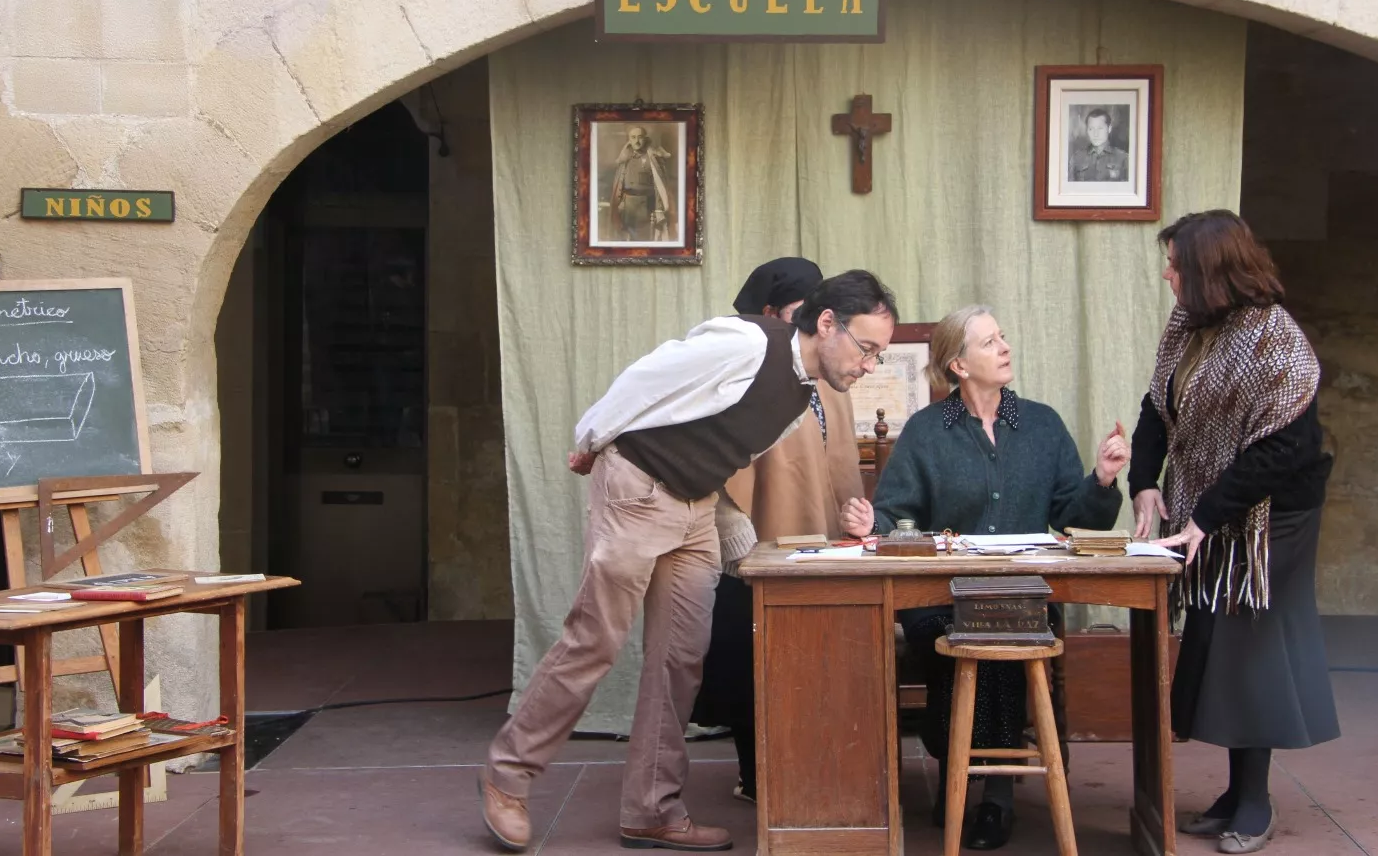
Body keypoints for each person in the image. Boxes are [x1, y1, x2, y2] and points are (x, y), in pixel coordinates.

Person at [482, 270, 899, 853]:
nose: (870, 365)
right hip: (638, 487)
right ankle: (508, 776)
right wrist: (593, 437)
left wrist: (730, 529)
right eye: (867, 349)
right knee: (595, 639)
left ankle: (652, 808)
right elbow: (647, 378)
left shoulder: (803, 391)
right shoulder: (749, 343)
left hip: (694, 506)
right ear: (826, 323)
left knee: (681, 655)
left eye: (878, 354)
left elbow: (732, 447)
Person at [839, 305, 1127, 850]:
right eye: (990, 341)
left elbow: (1075, 518)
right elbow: (896, 514)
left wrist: (1103, 479)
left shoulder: (1041, 424)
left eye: (1003, 336)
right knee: (953, 636)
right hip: (941, 593)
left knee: (1001, 627)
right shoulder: (927, 431)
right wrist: (866, 522)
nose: (1004, 347)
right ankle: (955, 760)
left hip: (1020, 592)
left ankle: (993, 796)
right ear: (958, 365)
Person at [1132, 210, 1339, 855]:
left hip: (1271, 518)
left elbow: (1281, 451)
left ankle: (1255, 799)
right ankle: (1232, 794)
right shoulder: (1188, 328)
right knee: (1220, 643)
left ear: (1209, 270)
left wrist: (1203, 517)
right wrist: (1145, 482)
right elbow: (1156, 408)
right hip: (1218, 508)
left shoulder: (1275, 337)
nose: (1167, 274)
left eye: (1176, 264)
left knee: (1254, 654)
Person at [691, 259, 871, 804]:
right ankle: (757, 771)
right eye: (801, 313)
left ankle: (812, 762)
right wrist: (731, 526)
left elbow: (840, 458)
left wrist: (855, 515)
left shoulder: (833, 376)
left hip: (819, 537)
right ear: (770, 316)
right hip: (757, 535)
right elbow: (713, 457)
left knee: (816, 655)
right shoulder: (745, 365)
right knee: (752, 657)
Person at [609, 125, 672, 240]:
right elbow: (620, 184)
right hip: (628, 206)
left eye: (640, 137)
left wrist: (659, 208)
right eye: (633, 137)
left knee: (647, 238)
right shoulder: (625, 158)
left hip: (647, 205)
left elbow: (659, 187)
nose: (636, 141)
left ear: (645, 139)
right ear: (629, 139)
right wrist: (621, 202)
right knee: (627, 237)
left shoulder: (653, 159)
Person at [1069, 107, 1129, 182]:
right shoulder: (1076, 159)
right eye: (1091, 129)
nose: (1095, 134)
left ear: (1109, 129)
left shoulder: (1123, 159)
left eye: (1100, 128)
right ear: (1087, 130)